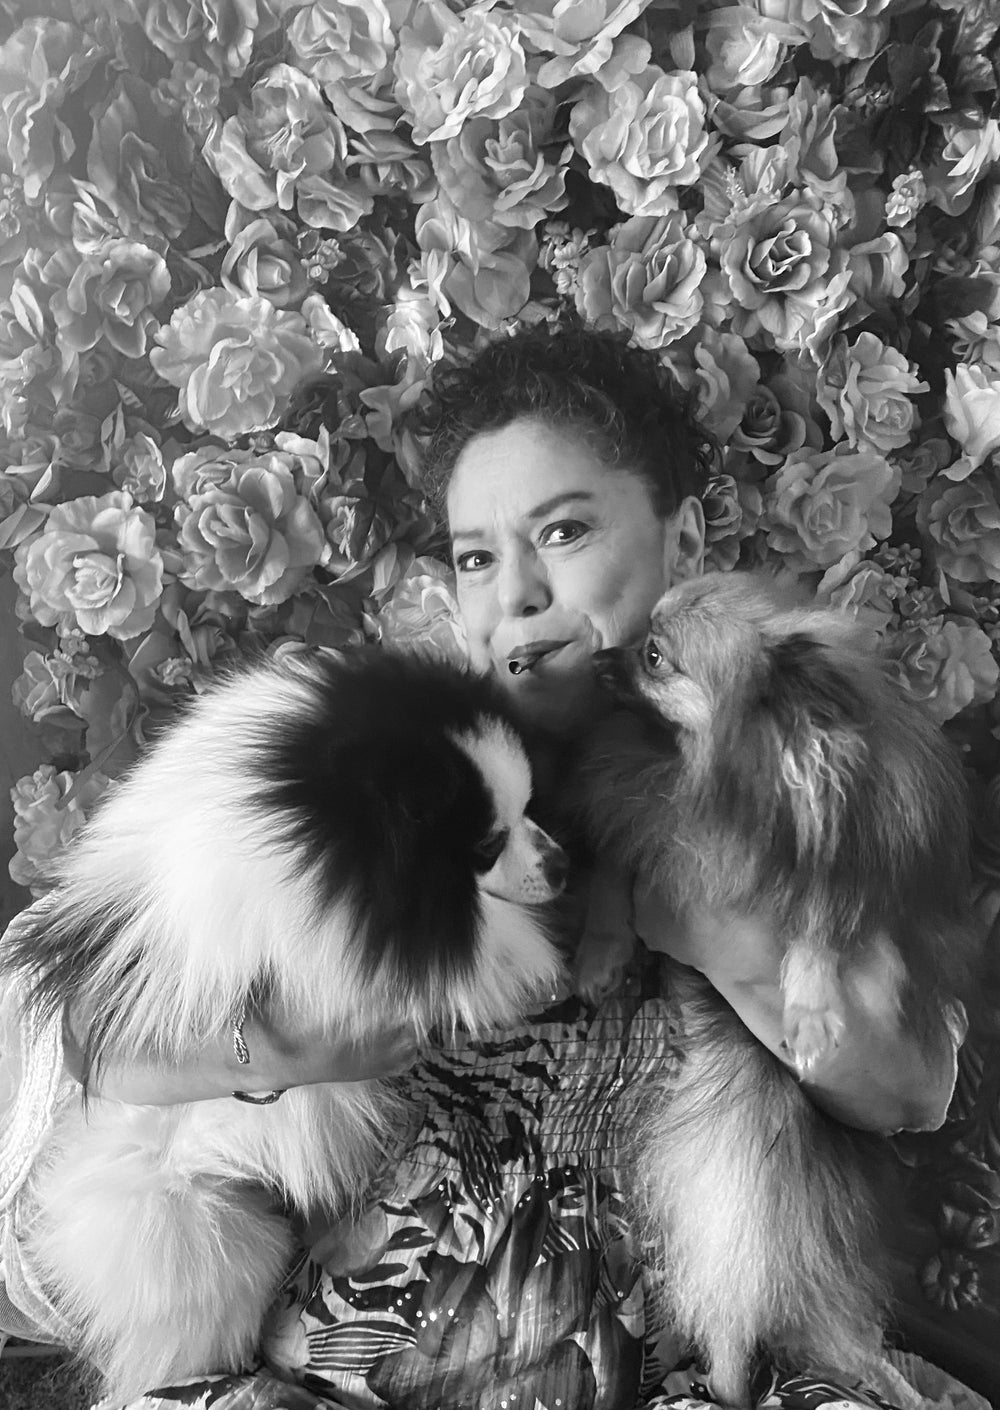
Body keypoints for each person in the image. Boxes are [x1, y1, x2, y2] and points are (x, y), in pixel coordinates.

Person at [0, 325, 978, 1410]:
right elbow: (83, 1024)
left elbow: (907, 1087)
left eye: (562, 531)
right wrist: (270, 1046)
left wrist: (715, 937)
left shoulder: (776, 764)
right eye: (474, 556)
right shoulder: (388, 761)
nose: (514, 594)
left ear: (680, 530)